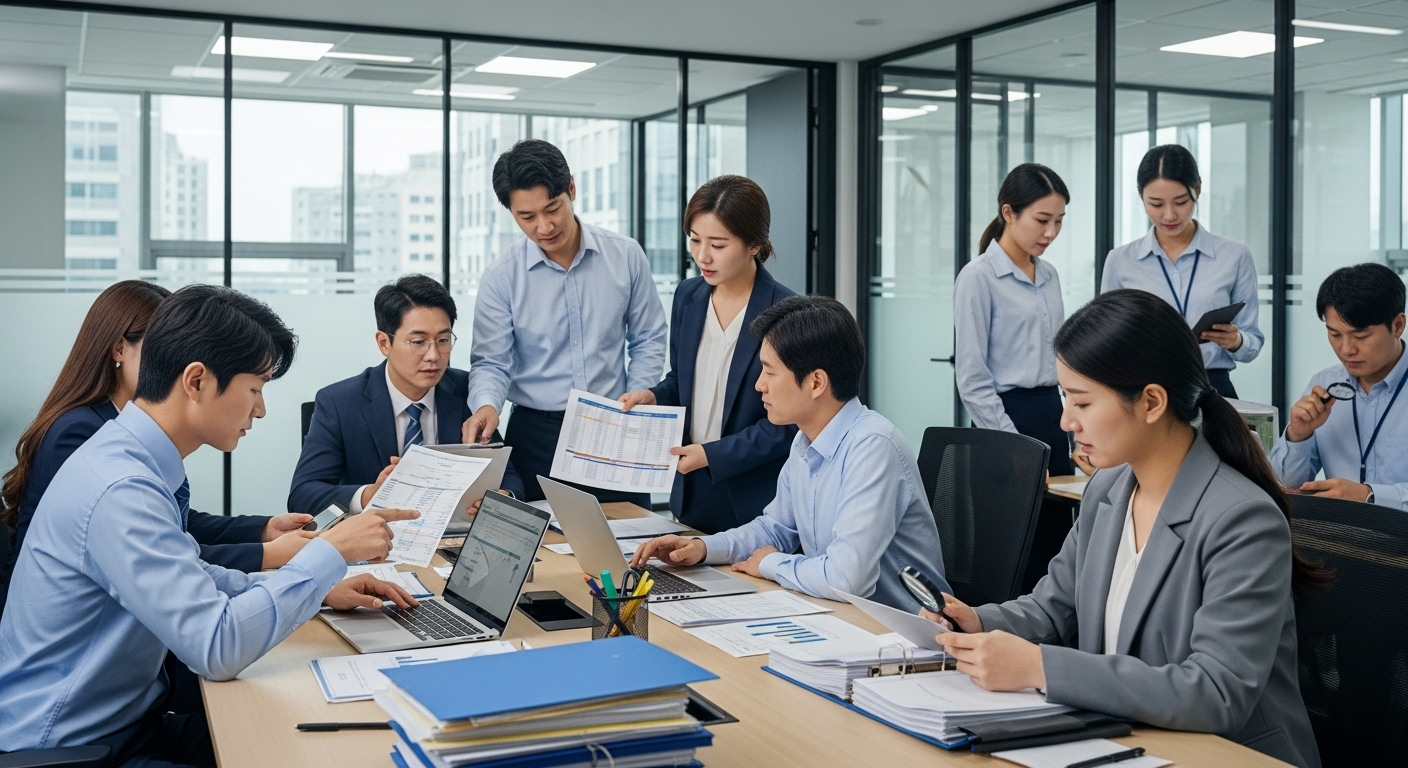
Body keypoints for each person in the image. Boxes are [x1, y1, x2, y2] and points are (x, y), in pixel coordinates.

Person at [0, 284, 419, 765]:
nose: (260, 409)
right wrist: (330, 552)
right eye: (255, 389)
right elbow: (217, 647)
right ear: (196, 381)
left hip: (125, 724)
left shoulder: (130, 458)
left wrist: (317, 585)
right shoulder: (121, 487)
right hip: (74, 749)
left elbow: (191, 577)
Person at [928, 289, 1324, 768]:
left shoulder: (1242, 519)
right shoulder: (1108, 490)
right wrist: (981, 621)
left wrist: (1038, 667)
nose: (1065, 420)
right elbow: (1054, 609)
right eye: (1064, 398)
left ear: (1152, 401)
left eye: (1083, 402)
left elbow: (1217, 692)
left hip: (1224, 755)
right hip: (1126, 741)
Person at [1, 282, 313, 618]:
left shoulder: (136, 434)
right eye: (159, 345)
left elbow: (170, 528)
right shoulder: (87, 439)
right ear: (120, 349)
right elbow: (160, 550)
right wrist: (276, 556)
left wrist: (263, 532)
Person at [630, 296, 950, 611]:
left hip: (901, 638)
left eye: (769, 372)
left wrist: (771, 564)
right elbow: (775, 529)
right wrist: (701, 548)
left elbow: (848, 578)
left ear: (816, 383)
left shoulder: (873, 447)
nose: (759, 385)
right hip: (839, 616)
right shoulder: (804, 440)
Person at [462, 139, 668, 508]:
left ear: (571, 188)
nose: (544, 226)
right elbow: (492, 362)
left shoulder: (625, 255)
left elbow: (648, 337)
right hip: (536, 434)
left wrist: (639, 397)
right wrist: (486, 405)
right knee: (542, 550)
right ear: (511, 212)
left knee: (631, 540)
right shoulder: (501, 276)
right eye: (527, 217)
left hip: (615, 424)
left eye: (552, 208)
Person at [617, 175, 796, 534]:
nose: (702, 256)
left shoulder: (787, 310)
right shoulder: (688, 296)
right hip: (691, 490)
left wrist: (712, 455)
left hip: (754, 500)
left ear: (754, 245)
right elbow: (681, 380)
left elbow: (787, 425)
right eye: (695, 240)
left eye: (718, 244)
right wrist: (654, 395)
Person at [289, 275, 523, 516]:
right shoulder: (339, 403)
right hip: (375, 542)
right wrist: (370, 494)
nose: (433, 355)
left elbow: (509, 477)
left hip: (451, 540)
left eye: (443, 340)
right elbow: (303, 495)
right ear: (384, 343)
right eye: (418, 341)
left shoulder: (467, 391)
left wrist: (501, 498)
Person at [1101, 144, 1263, 401]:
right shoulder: (1121, 261)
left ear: (1198, 189)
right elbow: (1106, 340)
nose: (1169, 215)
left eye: (1181, 202)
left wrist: (1236, 341)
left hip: (1212, 388)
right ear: (1140, 196)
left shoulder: (1234, 256)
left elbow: (1252, 343)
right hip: (1146, 391)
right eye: (1155, 203)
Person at [954, 163, 1073, 475]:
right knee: (1008, 524)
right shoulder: (979, 276)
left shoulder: (1049, 275)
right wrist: (1012, 445)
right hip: (1002, 422)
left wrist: (1076, 437)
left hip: (1052, 415)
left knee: (1058, 524)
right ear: (1008, 213)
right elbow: (972, 379)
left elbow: (1060, 361)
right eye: (1042, 220)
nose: (1051, 232)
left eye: (1059, 221)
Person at [1270, 263, 1407, 509]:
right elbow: (1287, 485)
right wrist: (1299, 435)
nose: (1346, 350)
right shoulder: (1323, 384)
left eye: (1360, 336)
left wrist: (1368, 495)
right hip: (1335, 539)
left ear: (1397, 326)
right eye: (1334, 335)